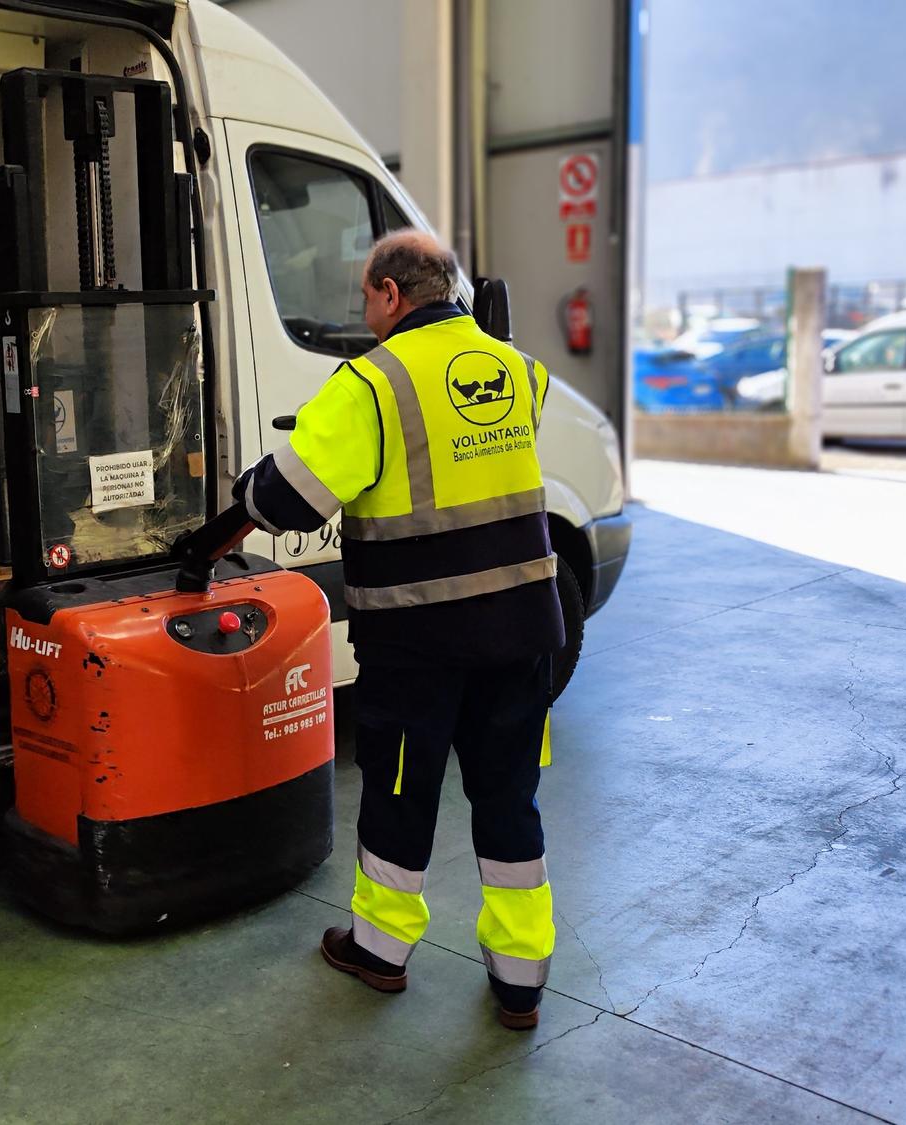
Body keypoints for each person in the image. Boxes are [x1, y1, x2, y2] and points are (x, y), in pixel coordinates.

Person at [236, 230, 565, 1031]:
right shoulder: (518, 369)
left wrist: (232, 504)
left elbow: (287, 500)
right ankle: (521, 980)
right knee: (509, 797)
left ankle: (380, 952)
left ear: (390, 294)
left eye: (366, 299)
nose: (367, 314)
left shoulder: (373, 382)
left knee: (398, 794)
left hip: (422, 642)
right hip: (523, 631)